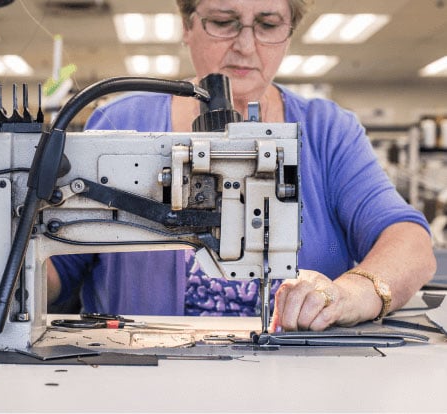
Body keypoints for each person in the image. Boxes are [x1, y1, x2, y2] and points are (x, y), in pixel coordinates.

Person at [48, 0, 437, 331]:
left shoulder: (327, 131)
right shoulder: (119, 123)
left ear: (290, 29)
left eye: (268, 25)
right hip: (137, 373)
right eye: (222, 22)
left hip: (301, 378)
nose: (246, 46)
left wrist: (353, 292)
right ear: (187, 25)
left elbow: (408, 241)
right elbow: (61, 258)